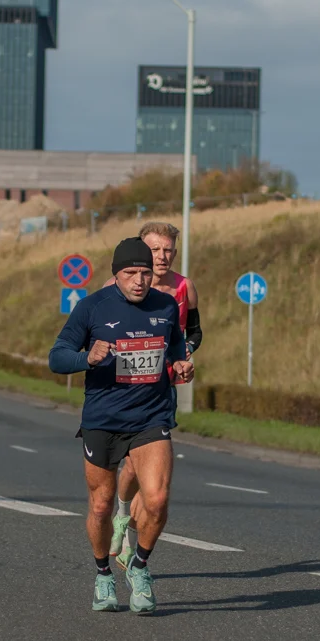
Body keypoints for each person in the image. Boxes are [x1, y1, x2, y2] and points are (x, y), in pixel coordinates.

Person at [49, 237, 194, 614]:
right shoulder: (92, 307)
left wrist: (181, 364)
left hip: (151, 416)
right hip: (103, 420)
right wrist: (87, 358)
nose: (139, 281)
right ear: (116, 274)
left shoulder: (165, 305)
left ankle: (140, 566)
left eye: (145, 273)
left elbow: (175, 346)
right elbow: (57, 357)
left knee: (157, 500)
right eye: (131, 273)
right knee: (101, 506)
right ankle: (103, 575)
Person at [106, 222, 203, 569]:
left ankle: (131, 534)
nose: (162, 257)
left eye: (168, 250)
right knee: (131, 464)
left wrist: (183, 354)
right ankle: (121, 514)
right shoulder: (113, 287)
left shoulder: (184, 287)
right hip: (123, 390)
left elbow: (195, 332)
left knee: (148, 471)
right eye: (155, 250)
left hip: (161, 389)